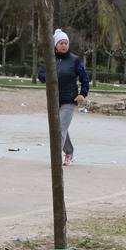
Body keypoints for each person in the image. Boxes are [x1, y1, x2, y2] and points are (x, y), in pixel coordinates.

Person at [37, 29, 91, 165]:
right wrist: (48, 76)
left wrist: (83, 94)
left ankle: (55, 159)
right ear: (55, 45)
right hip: (54, 100)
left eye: (65, 43)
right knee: (61, 128)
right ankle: (69, 153)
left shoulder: (75, 60)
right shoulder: (50, 59)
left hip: (69, 100)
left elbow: (85, 78)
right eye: (61, 43)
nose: (63, 45)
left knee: (59, 128)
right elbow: (41, 75)